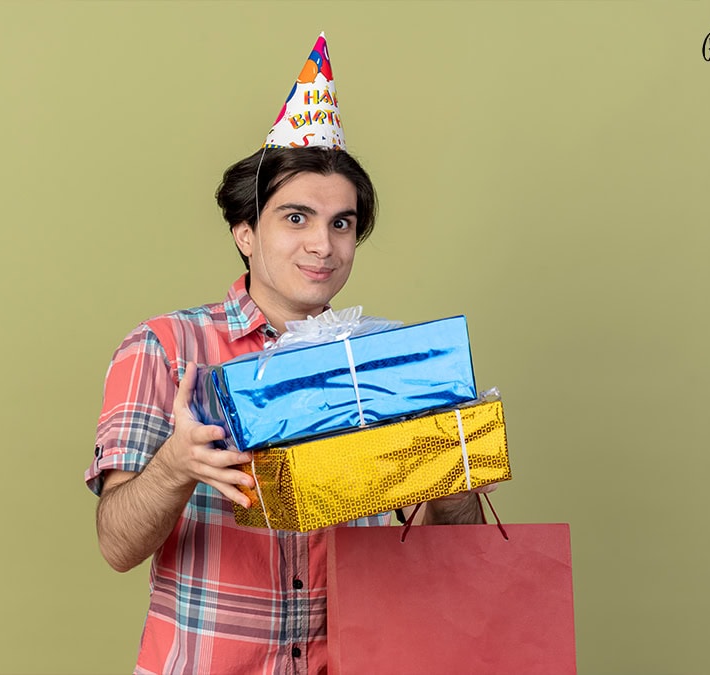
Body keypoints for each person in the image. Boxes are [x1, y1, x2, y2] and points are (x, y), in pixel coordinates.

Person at [85, 34, 487, 675]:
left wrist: (453, 458)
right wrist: (176, 466)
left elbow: (457, 554)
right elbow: (115, 543)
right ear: (246, 233)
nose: (322, 245)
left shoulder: (385, 360)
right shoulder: (166, 349)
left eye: (341, 223)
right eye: (295, 218)